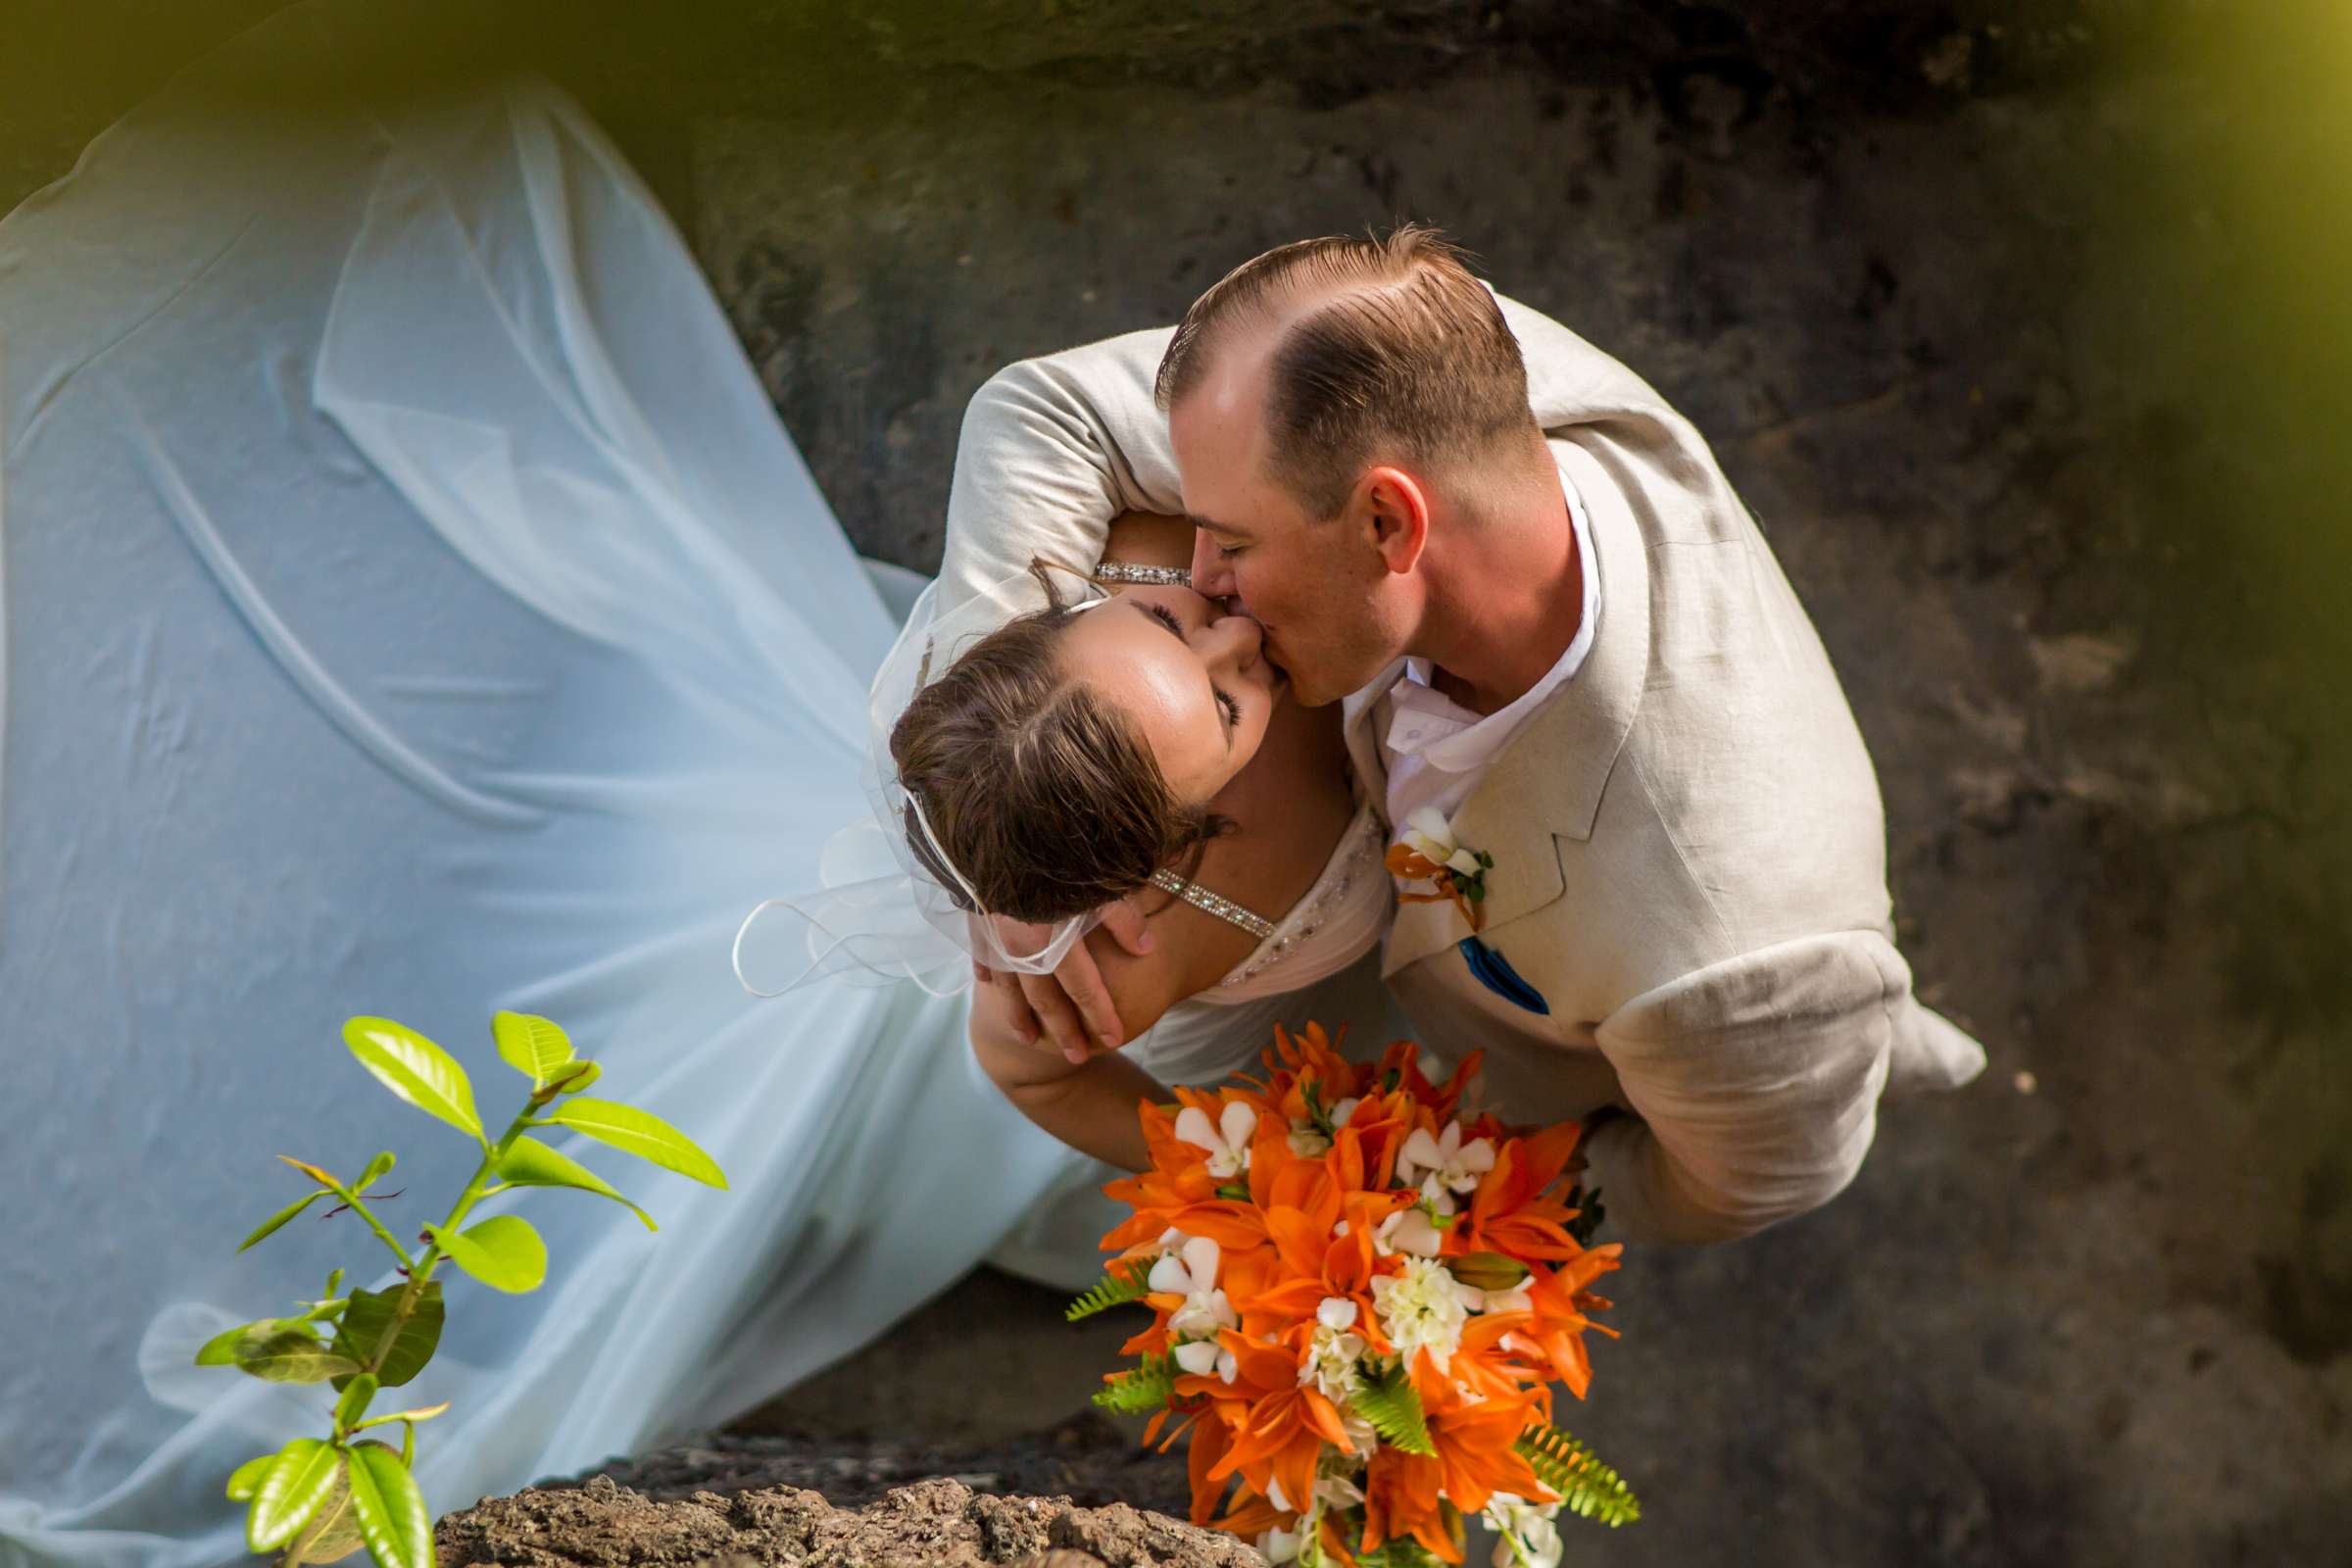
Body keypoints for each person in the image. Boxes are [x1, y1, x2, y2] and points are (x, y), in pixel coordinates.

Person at [0, 14, 1394, 1563]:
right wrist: (1301, 1241)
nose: (1222, 616)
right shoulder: (1095, 988)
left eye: (1190, 644)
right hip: (1007, 981)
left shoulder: (1168, 556)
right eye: (1197, 670)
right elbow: (1126, 1106)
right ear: (1146, 873)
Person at [934, 226, 1989, 1245]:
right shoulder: (1422, 374)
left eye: (1239, 543)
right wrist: (1026, 817)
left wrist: (1463, 1220)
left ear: (1389, 525)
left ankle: (1888, 1039)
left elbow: (1748, 1179)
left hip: (1537, 1068)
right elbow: (1045, 410)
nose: (1203, 578)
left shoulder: (1736, 949)